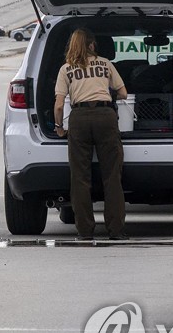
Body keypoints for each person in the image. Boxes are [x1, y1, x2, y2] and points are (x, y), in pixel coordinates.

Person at [53, 28, 128, 240]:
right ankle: (116, 231)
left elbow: (59, 106)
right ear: (92, 45)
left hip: (79, 119)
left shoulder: (66, 69)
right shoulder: (105, 64)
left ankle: (85, 231)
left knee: (80, 178)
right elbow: (123, 93)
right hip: (106, 116)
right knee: (112, 176)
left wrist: (59, 127)